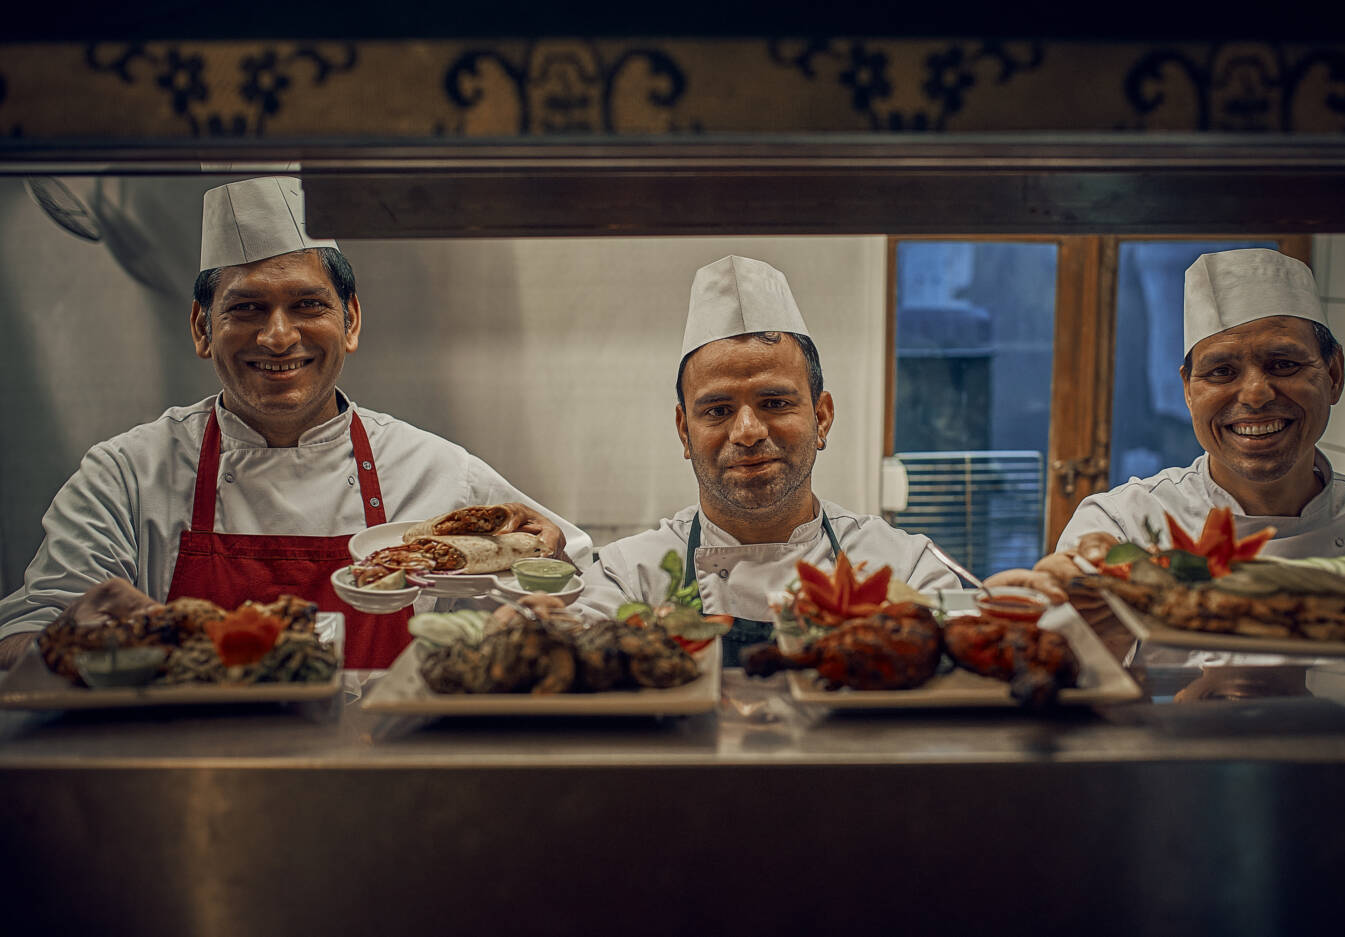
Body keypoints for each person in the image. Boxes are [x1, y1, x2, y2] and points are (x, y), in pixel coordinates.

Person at [0, 176, 590, 669]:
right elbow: (17, 640)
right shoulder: (125, 478)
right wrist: (60, 641)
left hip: (382, 773)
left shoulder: (441, 475)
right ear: (202, 329)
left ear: (351, 321)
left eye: (307, 305)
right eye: (246, 308)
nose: (278, 336)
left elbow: (583, 589)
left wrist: (541, 583)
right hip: (183, 767)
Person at [988, 248, 1345, 630]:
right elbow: (1068, 685)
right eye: (1221, 371)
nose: (1256, 394)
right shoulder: (1121, 526)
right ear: (1188, 389)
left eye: (1283, 364)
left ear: (1333, 374)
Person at [580, 255, 961, 665]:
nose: (747, 431)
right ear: (684, 430)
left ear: (822, 416)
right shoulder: (628, 576)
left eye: (775, 402)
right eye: (717, 410)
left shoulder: (904, 568)